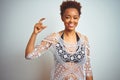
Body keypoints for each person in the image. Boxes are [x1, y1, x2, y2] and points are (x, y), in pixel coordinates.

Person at [25, 0, 93, 80]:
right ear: (62, 18)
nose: (71, 21)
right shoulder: (54, 39)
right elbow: (29, 55)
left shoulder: (84, 40)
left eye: (75, 17)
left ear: (78, 18)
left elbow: (88, 70)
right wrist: (34, 33)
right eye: (67, 17)